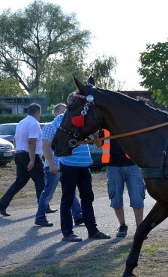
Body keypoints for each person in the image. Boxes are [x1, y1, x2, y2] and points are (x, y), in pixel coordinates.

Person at [52, 105, 111, 242]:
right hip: (69, 165)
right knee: (67, 199)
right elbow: (62, 139)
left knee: (87, 198)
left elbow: (98, 144)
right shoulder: (61, 119)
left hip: (84, 165)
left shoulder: (84, 120)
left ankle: (93, 230)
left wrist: (96, 135)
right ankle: (67, 233)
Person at [34, 103, 84, 227]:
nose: (65, 115)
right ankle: (40, 217)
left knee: (70, 191)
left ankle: (78, 216)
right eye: (62, 112)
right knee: (48, 193)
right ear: (56, 113)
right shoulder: (50, 127)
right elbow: (45, 147)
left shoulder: (67, 127)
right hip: (53, 166)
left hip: (65, 165)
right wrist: (51, 164)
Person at [96, 130, 145, 237]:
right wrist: (95, 135)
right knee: (116, 197)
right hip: (113, 166)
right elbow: (99, 144)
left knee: (137, 196)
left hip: (133, 165)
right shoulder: (104, 128)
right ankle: (122, 225)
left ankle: (140, 228)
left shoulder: (131, 123)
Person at [0, 103, 45, 217]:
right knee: (41, 181)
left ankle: (2, 205)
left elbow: (15, 139)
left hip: (19, 154)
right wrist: (32, 160)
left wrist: (17, 150)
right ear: (37, 112)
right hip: (29, 155)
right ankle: (43, 208)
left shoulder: (21, 122)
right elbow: (31, 142)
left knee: (20, 182)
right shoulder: (34, 123)